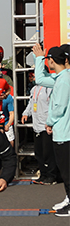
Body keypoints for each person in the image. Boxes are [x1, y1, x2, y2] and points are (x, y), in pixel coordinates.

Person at [33, 44, 70, 216]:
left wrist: (49, 122)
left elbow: (58, 106)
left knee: (67, 171)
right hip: (62, 131)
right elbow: (40, 79)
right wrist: (39, 58)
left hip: (64, 132)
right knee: (65, 170)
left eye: (48, 59)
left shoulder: (64, 79)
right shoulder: (61, 77)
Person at [21, 77, 58, 185]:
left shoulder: (50, 88)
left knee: (48, 152)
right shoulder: (34, 89)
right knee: (39, 152)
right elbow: (31, 103)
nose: (32, 77)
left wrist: (51, 121)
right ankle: (43, 175)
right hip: (37, 125)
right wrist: (25, 113)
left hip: (47, 125)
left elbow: (54, 106)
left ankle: (52, 176)